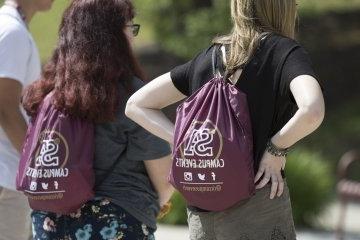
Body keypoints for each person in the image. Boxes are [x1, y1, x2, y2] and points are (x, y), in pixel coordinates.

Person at [125, 0, 325, 239]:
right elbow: (312, 109)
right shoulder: (283, 52)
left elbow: (136, 105)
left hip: (203, 210)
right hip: (258, 208)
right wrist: (275, 149)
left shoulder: (207, 57)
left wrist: (184, 140)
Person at [22, 0, 173, 239]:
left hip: (50, 223)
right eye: (129, 28)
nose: (132, 37)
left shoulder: (47, 95)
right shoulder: (129, 96)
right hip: (115, 220)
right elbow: (164, 181)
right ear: (113, 35)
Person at [0, 0, 53, 239]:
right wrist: (36, 166)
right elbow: (5, 107)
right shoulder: (12, 32)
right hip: (7, 179)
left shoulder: (12, 27)